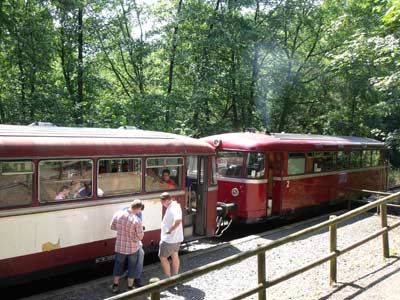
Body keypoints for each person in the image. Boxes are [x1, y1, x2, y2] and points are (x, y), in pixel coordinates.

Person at [110, 199, 144, 293]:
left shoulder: (118, 214)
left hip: (120, 246)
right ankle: (129, 287)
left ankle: (115, 285)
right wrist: (135, 238)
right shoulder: (136, 220)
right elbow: (140, 236)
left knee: (118, 264)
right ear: (137, 209)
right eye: (140, 209)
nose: (140, 211)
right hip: (132, 247)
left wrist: (122, 232)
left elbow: (112, 227)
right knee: (132, 266)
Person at [158, 192, 183, 278]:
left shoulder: (173, 208)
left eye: (162, 202)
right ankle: (175, 276)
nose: (162, 204)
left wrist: (169, 231)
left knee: (162, 257)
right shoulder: (175, 206)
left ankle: (168, 278)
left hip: (169, 239)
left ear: (168, 200)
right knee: (175, 255)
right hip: (176, 238)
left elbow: (178, 220)